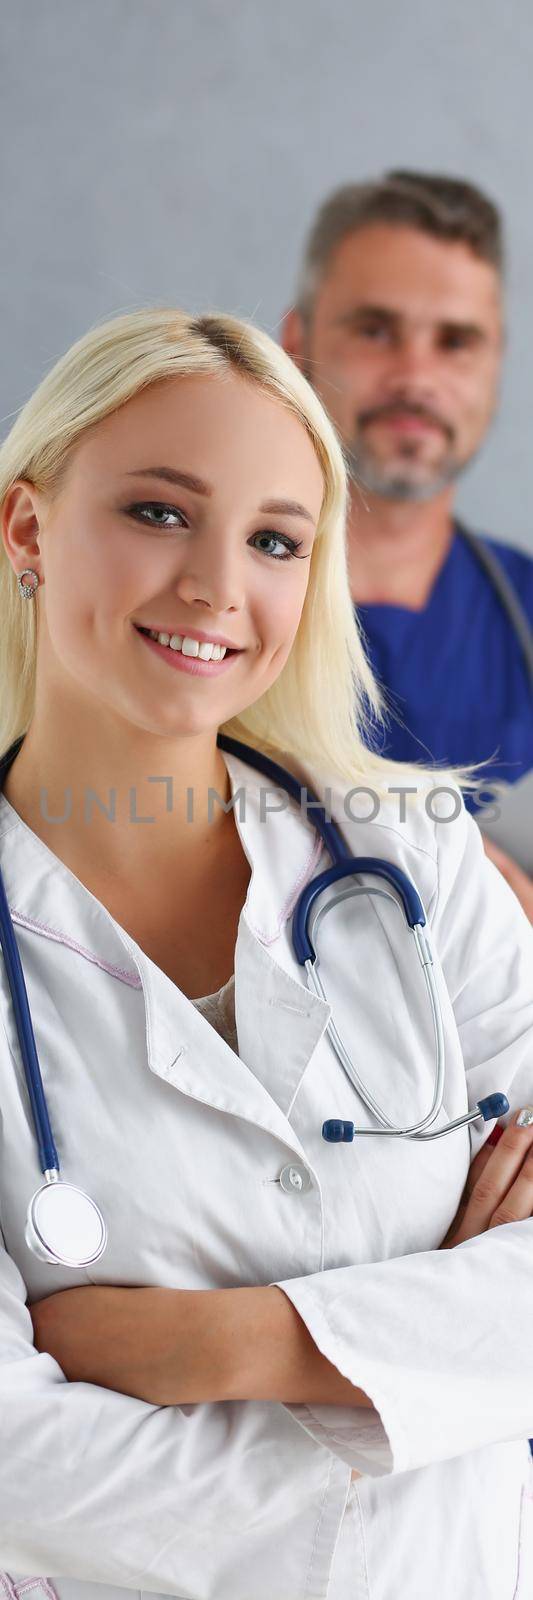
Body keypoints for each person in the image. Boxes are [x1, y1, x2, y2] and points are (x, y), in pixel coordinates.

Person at [0, 307, 533, 1600]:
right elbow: (17, 1463)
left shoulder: (416, 859)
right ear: (26, 529)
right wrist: (424, 1398)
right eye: (158, 513)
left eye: (276, 540)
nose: (215, 588)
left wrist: (222, 1348)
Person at [281, 170, 533, 920]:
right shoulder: (200, 611)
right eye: (374, 330)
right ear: (295, 345)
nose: (414, 377)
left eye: (455, 342)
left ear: (494, 368)